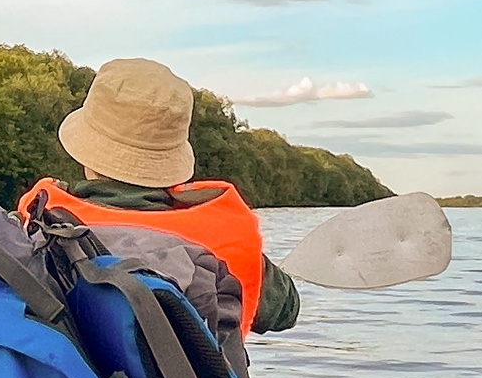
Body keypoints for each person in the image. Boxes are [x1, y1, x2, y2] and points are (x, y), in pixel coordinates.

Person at [19, 56, 302, 335]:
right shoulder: (227, 242)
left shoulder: (30, 228)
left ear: (87, 151)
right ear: (171, 155)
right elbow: (287, 309)